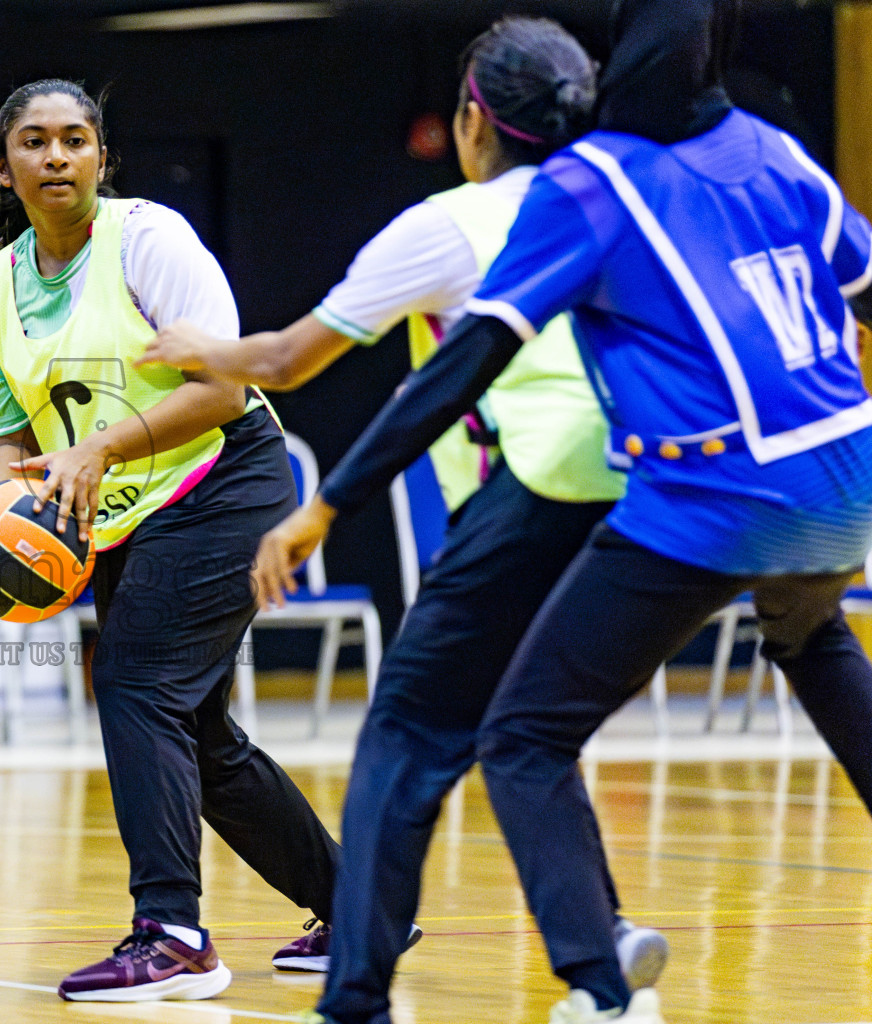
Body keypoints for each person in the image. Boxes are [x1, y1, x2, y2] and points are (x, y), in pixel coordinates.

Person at [253, 2, 872, 1023]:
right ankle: (598, 945)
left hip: (694, 487)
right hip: (842, 476)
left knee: (520, 736)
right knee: (811, 638)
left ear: (474, 121)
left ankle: (589, 986)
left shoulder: (586, 188)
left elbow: (457, 365)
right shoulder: (771, 148)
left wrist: (329, 502)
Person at [140, 13, 668, 991]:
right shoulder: (628, 205)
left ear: (473, 120)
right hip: (655, 502)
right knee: (529, 727)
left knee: (406, 734)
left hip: (534, 494)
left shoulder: (451, 224)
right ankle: (603, 947)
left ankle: (358, 972)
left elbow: (291, 360)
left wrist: (199, 352)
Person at [0, 78, 344, 1003]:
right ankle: (359, 905)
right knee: (196, 731)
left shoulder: (148, 238)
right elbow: (16, 431)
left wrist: (98, 446)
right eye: (35, 142)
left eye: (75, 139)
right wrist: (0, 529)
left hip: (225, 480)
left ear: (101, 157)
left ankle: (172, 935)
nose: (56, 156)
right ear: (3, 165)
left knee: (135, 685)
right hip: (122, 510)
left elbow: (220, 389)